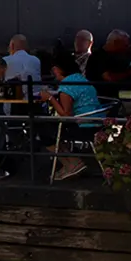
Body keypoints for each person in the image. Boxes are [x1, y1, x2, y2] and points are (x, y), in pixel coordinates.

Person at [39, 47, 104, 181]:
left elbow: (66, 115)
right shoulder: (80, 78)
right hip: (96, 122)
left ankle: (72, 162)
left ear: (58, 69)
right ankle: (70, 161)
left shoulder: (66, 87)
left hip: (84, 127)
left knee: (43, 131)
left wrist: (50, 98)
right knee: (50, 128)